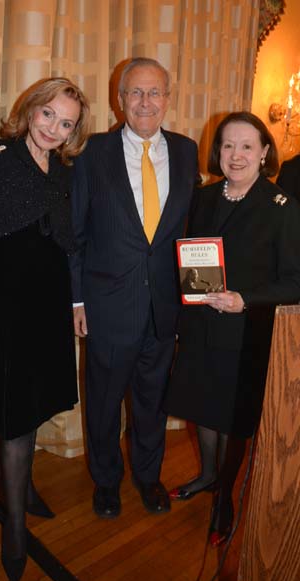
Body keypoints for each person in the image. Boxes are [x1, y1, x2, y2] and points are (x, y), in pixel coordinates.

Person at [0, 77, 90, 581]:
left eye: (66, 123)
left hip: (49, 306)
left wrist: (76, 300)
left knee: (36, 404)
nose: (54, 129)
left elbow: (69, 244)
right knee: (15, 414)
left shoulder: (65, 170)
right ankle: (14, 524)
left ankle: (27, 489)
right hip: (7, 308)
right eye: (47, 116)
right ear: (30, 109)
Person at [70, 58, 199, 519]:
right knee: (104, 405)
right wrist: (77, 299)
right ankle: (106, 481)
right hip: (107, 306)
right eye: (136, 93)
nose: (146, 102)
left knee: (153, 403)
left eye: (155, 93)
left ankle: (148, 477)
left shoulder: (187, 151)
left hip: (164, 308)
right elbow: (76, 233)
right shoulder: (91, 151)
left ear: (168, 98)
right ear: (119, 99)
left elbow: (189, 231)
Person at [165, 111, 300, 547]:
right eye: (227, 145)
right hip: (201, 323)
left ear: (264, 153)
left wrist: (244, 299)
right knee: (202, 408)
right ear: (217, 151)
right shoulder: (203, 197)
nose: (235, 154)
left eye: (246, 146)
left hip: (244, 335)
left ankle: (225, 498)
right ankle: (207, 474)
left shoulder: (281, 209)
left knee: (228, 418)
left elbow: (295, 280)